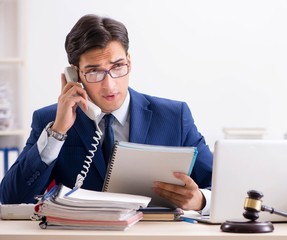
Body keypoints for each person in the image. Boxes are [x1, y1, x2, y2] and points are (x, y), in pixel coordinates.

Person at [0, 14, 213, 214]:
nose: (109, 85)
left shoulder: (174, 117)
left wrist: (200, 200)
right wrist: (58, 132)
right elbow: (11, 198)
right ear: (75, 74)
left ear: (129, 61)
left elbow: (221, 187)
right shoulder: (50, 121)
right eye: (94, 71)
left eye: (118, 66)